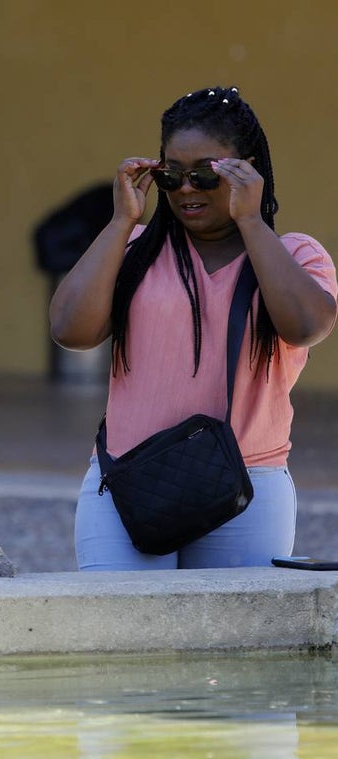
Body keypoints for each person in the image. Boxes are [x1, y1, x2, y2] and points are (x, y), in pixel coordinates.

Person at [49, 86, 338, 571]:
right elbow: (70, 329)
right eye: (171, 175)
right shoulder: (136, 249)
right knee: (124, 638)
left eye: (206, 174)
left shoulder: (292, 254)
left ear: (246, 168)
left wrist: (251, 222)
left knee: (233, 646)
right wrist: (121, 221)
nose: (186, 189)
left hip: (246, 484)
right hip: (129, 480)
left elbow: (307, 326)